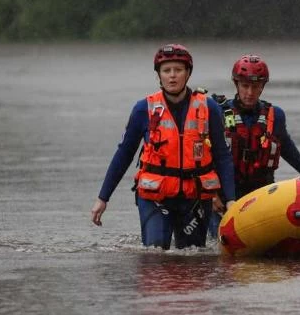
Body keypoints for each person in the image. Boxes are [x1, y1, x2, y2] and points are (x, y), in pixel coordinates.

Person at [90, 44, 236, 249]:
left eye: (178, 70)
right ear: (159, 75)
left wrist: (230, 199)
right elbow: (124, 154)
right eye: (166, 71)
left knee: (193, 258)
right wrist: (102, 198)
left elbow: (222, 156)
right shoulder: (144, 109)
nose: (172, 76)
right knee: (156, 252)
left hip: (194, 197)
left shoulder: (208, 107)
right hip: (155, 197)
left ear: (188, 73)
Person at [210, 55, 300, 227]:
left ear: (262, 87)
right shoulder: (217, 112)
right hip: (224, 196)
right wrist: (212, 195)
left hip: (262, 193)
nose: (250, 93)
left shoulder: (275, 115)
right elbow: (204, 157)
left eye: (255, 87)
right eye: (245, 86)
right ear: (236, 84)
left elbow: (287, 148)